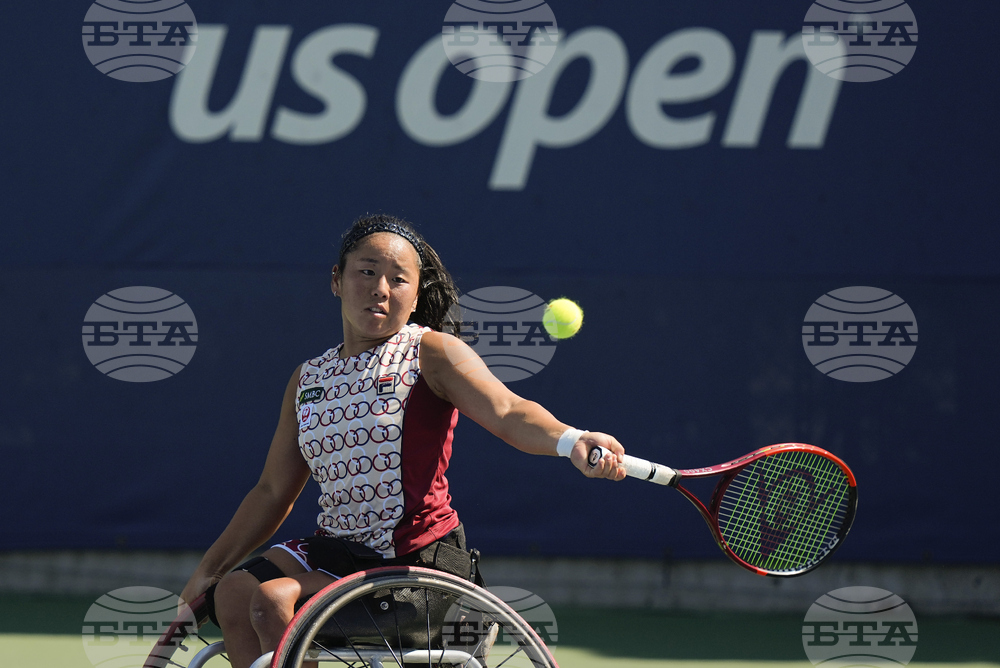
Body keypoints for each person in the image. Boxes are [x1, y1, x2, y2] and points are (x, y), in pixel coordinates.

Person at [179, 214, 626, 668]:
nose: (380, 288)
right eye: (367, 271)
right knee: (234, 592)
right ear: (337, 280)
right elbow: (273, 491)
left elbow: (509, 411)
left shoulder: (432, 352)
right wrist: (208, 571)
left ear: (414, 297)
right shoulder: (308, 378)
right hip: (339, 554)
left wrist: (572, 440)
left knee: (273, 601)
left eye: (398, 279)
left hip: (417, 566)